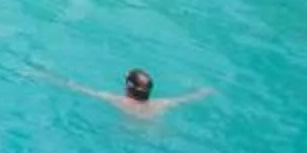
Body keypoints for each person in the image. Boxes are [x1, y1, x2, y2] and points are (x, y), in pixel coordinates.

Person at [42, 67, 212, 119]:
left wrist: (46, 75)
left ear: (128, 88)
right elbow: (189, 98)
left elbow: (76, 87)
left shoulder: (118, 101)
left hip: (129, 141)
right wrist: (204, 91)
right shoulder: (161, 104)